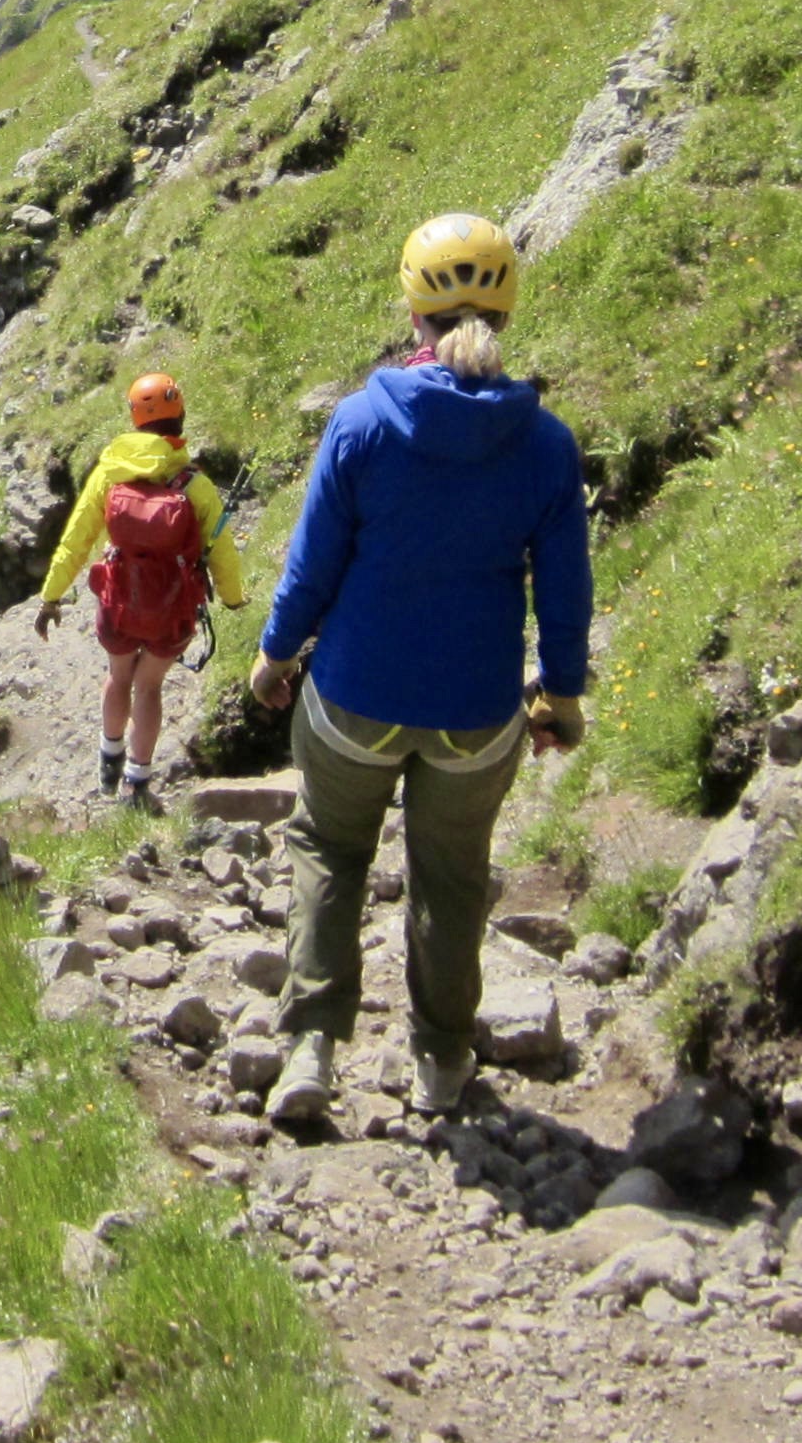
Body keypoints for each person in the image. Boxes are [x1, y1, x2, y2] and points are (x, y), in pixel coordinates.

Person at [250, 213, 589, 1128]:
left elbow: (311, 569)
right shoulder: (546, 446)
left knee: (331, 846)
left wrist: (274, 660)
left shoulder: (363, 423)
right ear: (506, 313)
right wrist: (561, 697)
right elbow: (566, 594)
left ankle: (312, 1048)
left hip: (354, 700)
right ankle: (441, 1060)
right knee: (451, 874)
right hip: (477, 715)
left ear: (414, 314)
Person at [38, 372, 249, 810]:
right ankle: (137, 782)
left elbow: (76, 540)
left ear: (135, 419)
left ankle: (108, 759)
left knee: (118, 677)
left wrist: (51, 596)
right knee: (148, 687)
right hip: (172, 611)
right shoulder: (195, 485)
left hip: (119, 603)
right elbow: (223, 552)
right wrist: (233, 598)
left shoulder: (109, 474)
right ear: (180, 416)